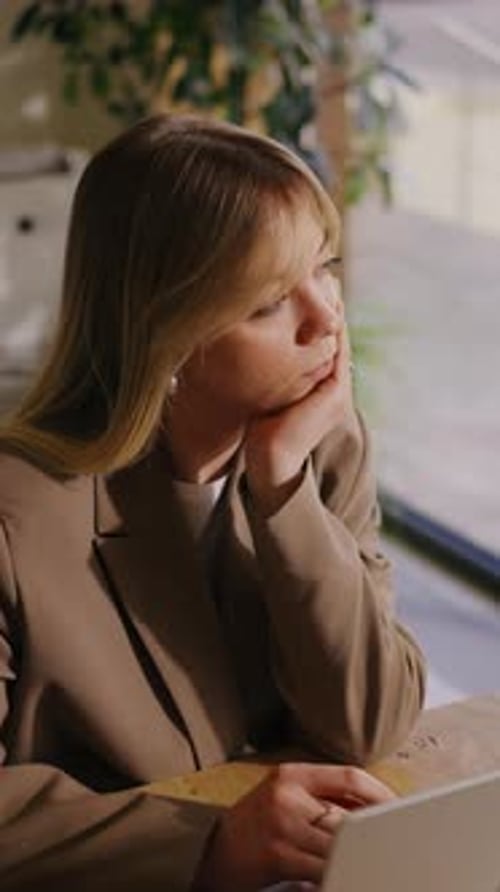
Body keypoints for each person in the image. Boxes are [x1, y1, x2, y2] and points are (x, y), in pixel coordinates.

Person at [0, 114, 425, 891]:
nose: (328, 319)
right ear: (165, 336)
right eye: (268, 303)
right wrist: (208, 842)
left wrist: (284, 488)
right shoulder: (14, 520)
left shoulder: (318, 446)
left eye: (323, 268)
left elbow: (368, 720)